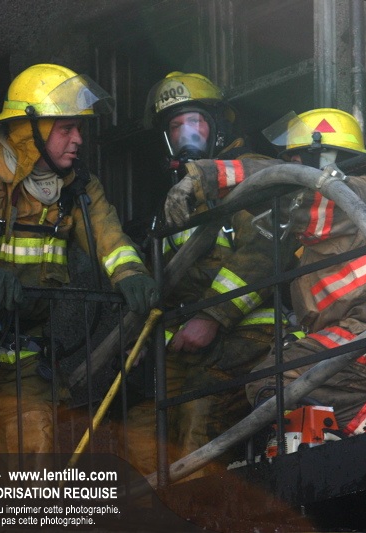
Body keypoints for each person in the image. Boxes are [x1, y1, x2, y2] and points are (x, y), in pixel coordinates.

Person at [0, 63, 158, 454]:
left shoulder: (78, 188)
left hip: (20, 347)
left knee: (34, 447)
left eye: (79, 129)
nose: (78, 140)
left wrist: (131, 273)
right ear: (30, 130)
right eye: (66, 129)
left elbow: (109, 237)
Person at [165, 108, 366, 436]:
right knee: (293, 368)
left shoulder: (343, 197)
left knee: (271, 379)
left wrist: (202, 177)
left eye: (297, 158)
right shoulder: (357, 214)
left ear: (326, 158)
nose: (292, 165)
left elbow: (278, 180)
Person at [121, 72, 293, 476]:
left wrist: (211, 316)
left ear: (218, 125)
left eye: (195, 121)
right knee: (140, 430)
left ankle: (197, 505)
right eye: (175, 126)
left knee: (199, 417)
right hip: (185, 344)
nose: (186, 134)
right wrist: (139, 335)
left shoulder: (252, 178)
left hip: (250, 333)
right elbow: (164, 281)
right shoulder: (172, 203)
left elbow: (267, 251)